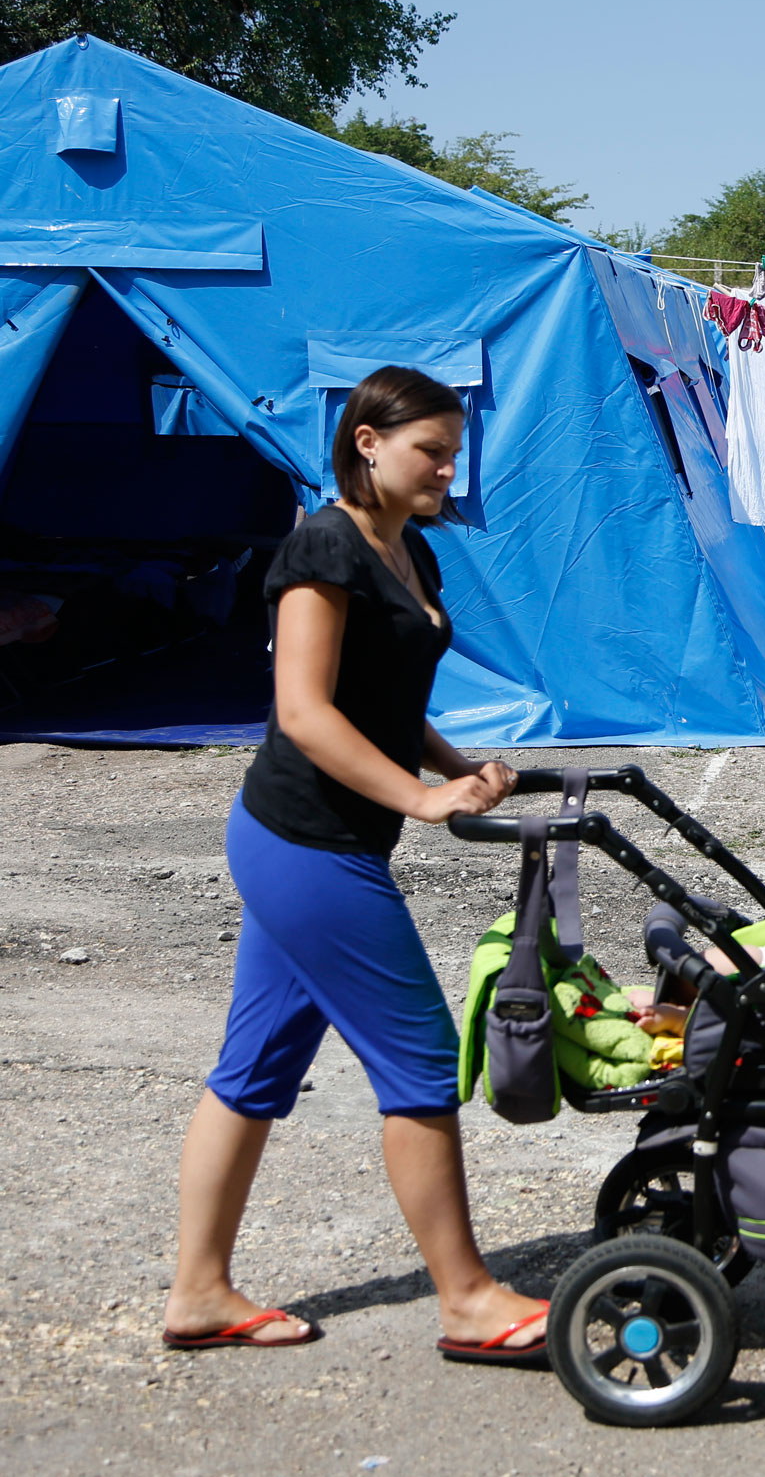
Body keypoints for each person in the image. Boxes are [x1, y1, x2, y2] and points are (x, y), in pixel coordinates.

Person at [162, 366, 548, 1362]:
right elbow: (304, 708)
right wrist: (420, 799)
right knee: (418, 1055)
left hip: (319, 842)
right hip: (305, 842)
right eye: (431, 450)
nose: (447, 469)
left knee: (253, 1070)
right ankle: (465, 1301)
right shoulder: (322, 544)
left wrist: (455, 765)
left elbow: (379, 691)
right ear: (366, 441)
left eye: (454, 451)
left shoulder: (406, 548)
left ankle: (198, 1293)